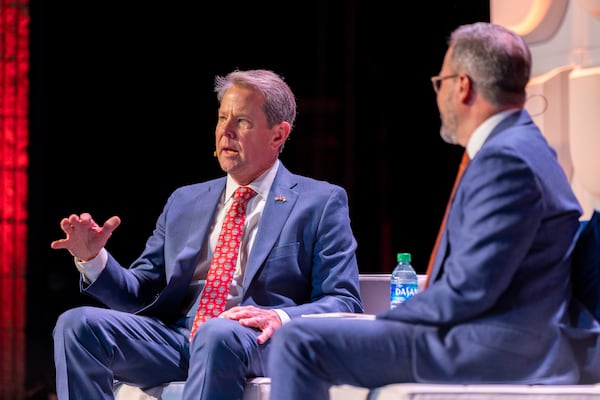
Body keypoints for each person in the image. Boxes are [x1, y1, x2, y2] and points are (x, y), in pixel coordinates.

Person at [267, 22, 599, 400]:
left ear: (462, 85)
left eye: (439, 81)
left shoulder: (506, 159)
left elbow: (468, 291)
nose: (438, 94)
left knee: (299, 340)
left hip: (495, 347)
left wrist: (385, 322)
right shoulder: (524, 146)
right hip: (499, 337)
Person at [51, 68, 363, 400]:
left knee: (216, 334)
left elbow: (344, 301)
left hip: (257, 341)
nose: (225, 131)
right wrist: (94, 259)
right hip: (176, 340)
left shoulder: (320, 202)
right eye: (222, 118)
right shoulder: (185, 201)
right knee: (77, 325)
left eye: (242, 121)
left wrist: (278, 315)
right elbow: (142, 295)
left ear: (278, 135)